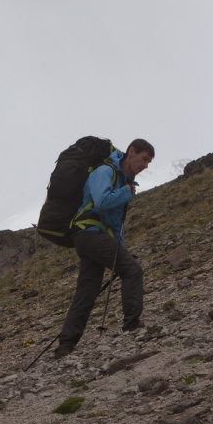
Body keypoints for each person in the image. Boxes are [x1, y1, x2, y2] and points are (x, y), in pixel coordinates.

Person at [53, 139, 154, 357]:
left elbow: (115, 223)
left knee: (87, 291)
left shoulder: (123, 180)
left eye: (149, 162)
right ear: (131, 151)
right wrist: (126, 193)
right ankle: (132, 324)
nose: (145, 166)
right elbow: (100, 201)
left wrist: (120, 247)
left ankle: (65, 344)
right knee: (132, 269)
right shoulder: (105, 172)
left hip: (92, 237)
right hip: (89, 233)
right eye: (144, 159)